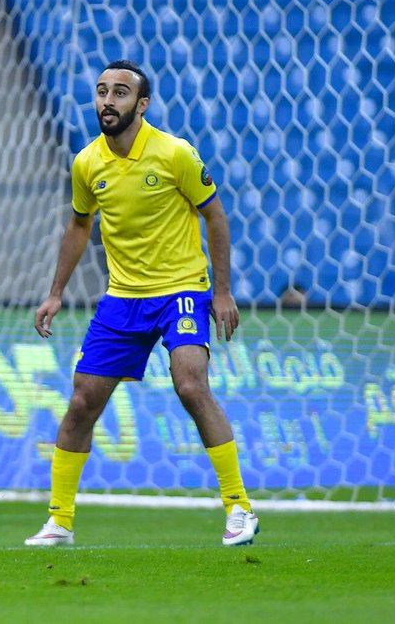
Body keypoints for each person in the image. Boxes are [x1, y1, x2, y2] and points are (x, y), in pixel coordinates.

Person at [25, 60, 258, 548]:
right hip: (123, 296)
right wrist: (55, 292)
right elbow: (78, 226)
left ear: (142, 104)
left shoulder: (175, 154)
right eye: (101, 92)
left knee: (191, 384)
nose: (107, 101)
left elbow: (215, 216)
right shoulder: (87, 162)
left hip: (181, 289)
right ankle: (60, 520)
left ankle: (239, 508)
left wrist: (223, 290)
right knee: (83, 400)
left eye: (120, 93)